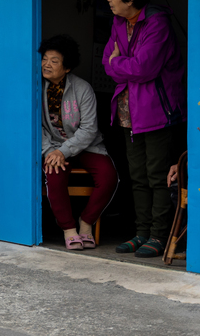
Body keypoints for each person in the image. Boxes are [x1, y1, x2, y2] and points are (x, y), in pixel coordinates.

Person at [103, 0, 186, 258]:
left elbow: (144, 68)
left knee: (158, 175)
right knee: (136, 176)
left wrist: (120, 63)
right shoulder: (118, 21)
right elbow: (107, 63)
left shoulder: (157, 23)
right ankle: (141, 233)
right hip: (128, 112)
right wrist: (121, 64)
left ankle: (159, 236)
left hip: (157, 111)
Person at [40, 35, 118, 250]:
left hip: (86, 146)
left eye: (54, 61)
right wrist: (49, 151)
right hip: (53, 147)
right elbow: (33, 126)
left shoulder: (82, 89)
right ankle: (69, 229)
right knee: (53, 175)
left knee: (108, 176)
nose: (47, 64)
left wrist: (64, 151)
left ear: (67, 68)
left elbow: (89, 129)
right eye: (45, 59)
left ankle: (86, 222)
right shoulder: (36, 87)